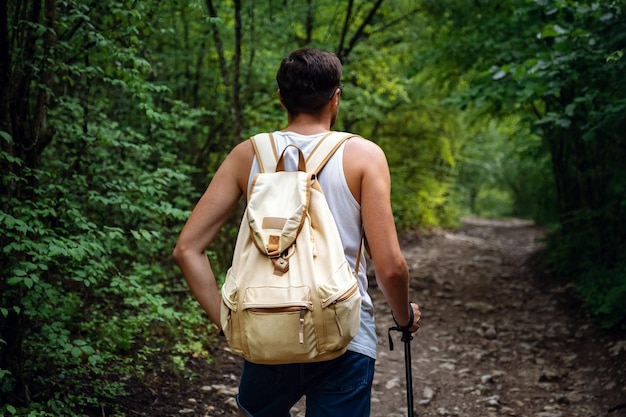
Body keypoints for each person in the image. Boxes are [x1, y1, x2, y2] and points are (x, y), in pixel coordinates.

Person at [173, 48, 421, 417]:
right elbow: (390, 267)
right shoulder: (364, 156)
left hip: (266, 328)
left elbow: (187, 250)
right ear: (336, 97)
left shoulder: (247, 155)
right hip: (345, 337)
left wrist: (231, 322)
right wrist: (404, 318)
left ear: (281, 98)